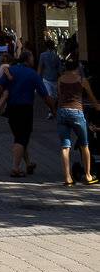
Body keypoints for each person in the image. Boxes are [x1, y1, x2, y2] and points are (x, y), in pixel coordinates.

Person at [0, 50, 54, 176]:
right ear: (27, 60)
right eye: (32, 58)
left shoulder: (11, 70)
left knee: (20, 136)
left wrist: (4, 97)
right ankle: (15, 168)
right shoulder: (32, 74)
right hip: (25, 109)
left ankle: (28, 163)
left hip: (11, 108)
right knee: (21, 138)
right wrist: (53, 109)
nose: (34, 60)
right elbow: (45, 95)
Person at [55, 54, 99, 187]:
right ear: (77, 67)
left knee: (65, 146)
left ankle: (68, 178)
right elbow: (92, 98)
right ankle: (88, 175)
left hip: (62, 112)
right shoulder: (82, 80)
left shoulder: (60, 79)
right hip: (77, 112)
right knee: (84, 144)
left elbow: (59, 95)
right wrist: (97, 106)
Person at [38, 38, 61, 118]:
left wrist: (38, 78)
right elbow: (59, 69)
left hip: (46, 78)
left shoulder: (42, 55)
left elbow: (40, 67)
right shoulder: (56, 56)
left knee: (49, 95)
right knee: (54, 95)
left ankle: (51, 110)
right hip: (54, 78)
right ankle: (53, 110)